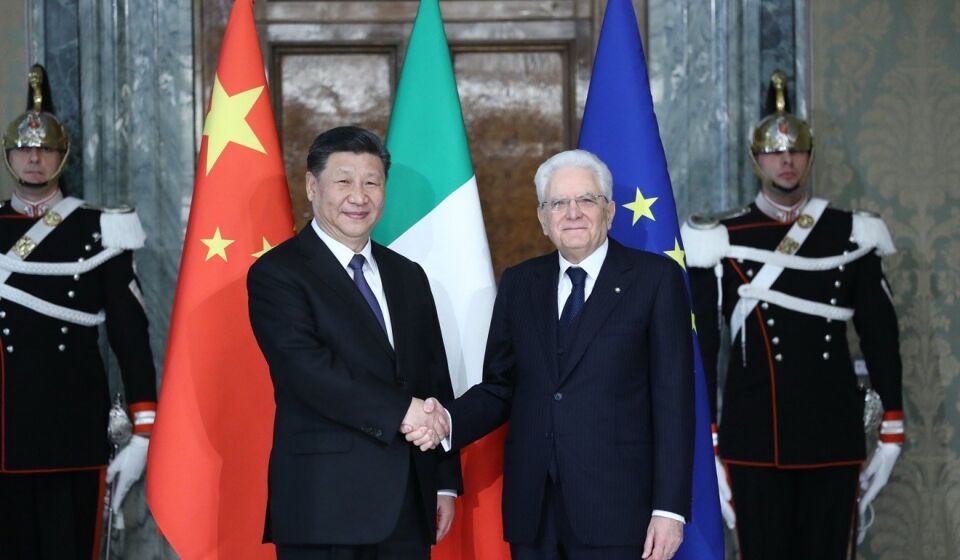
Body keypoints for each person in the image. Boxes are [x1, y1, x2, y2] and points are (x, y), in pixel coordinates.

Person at [408, 149, 695, 560]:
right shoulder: (520, 283)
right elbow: (501, 387)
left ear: (610, 211)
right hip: (534, 511)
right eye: (558, 203)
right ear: (543, 219)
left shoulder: (655, 280)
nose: (572, 213)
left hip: (618, 510)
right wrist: (446, 420)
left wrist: (669, 510)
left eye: (586, 200)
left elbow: (674, 403)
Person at [681, 71, 904, 559]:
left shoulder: (851, 232)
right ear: (756, 158)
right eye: (775, 152)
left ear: (810, 156)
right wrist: (707, 437)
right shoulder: (721, 237)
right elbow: (703, 348)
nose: (787, 161)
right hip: (754, 435)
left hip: (833, 431)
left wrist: (892, 426)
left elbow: (880, 336)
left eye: (797, 150)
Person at [247, 126, 462, 560]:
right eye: (344, 181)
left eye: (372, 182)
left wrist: (443, 481)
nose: (359, 196)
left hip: (409, 502)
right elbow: (307, 371)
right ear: (313, 186)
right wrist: (402, 411)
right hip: (324, 504)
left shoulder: (408, 275)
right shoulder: (278, 273)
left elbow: (433, 377)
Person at [0, 65, 157, 558]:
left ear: (61, 156)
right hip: (3, 429)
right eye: (24, 150)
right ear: (9, 156)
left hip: (72, 427)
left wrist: (143, 431)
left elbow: (130, 338)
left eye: (45, 150)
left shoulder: (101, 228)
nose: (34, 159)